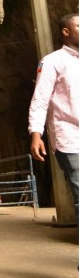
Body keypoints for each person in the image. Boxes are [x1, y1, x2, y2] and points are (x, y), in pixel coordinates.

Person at [29, 13, 80, 221]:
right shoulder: (51, 62)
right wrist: (36, 134)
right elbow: (40, 99)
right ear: (66, 31)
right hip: (70, 138)